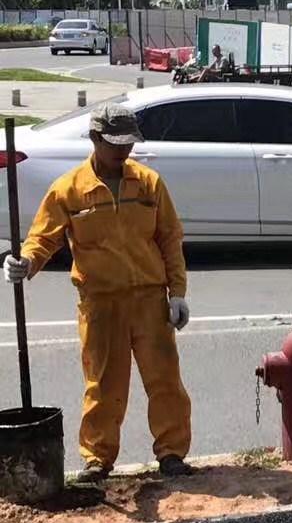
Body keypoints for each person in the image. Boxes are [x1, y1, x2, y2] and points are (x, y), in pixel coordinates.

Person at [3, 104, 194, 483]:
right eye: (115, 144)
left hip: (149, 300)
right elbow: (43, 238)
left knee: (165, 381)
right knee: (103, 384)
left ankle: (172, 453)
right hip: (100, 303)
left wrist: (177, 293)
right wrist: (25, 261)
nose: (123, 152)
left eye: (128, 144)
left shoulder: (149, 184)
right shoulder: (69, 190)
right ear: (94, 139)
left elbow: (170, 239)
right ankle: (97, 458)